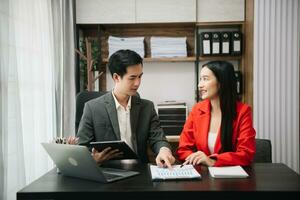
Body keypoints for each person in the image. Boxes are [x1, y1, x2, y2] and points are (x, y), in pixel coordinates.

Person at [76, 49, 175, 169]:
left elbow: (158, 137)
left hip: (140, 173)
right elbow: (82, 148)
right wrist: (93, 159)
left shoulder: (147, 107)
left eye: (140, 77)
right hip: (108, 172)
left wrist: (164, 150)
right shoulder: (92, 108)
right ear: (116, 77)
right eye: (132, 78)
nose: (137, 83)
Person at [177, 60, 256, 167]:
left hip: (231, 178)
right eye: (200, 79)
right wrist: (197, 158)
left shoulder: (243, 111)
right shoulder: (197, 110)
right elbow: (183, 149)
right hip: (203, 177)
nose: (200, 85)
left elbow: (246, 154)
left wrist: (212, 160)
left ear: (221, 82)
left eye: (205, 79)